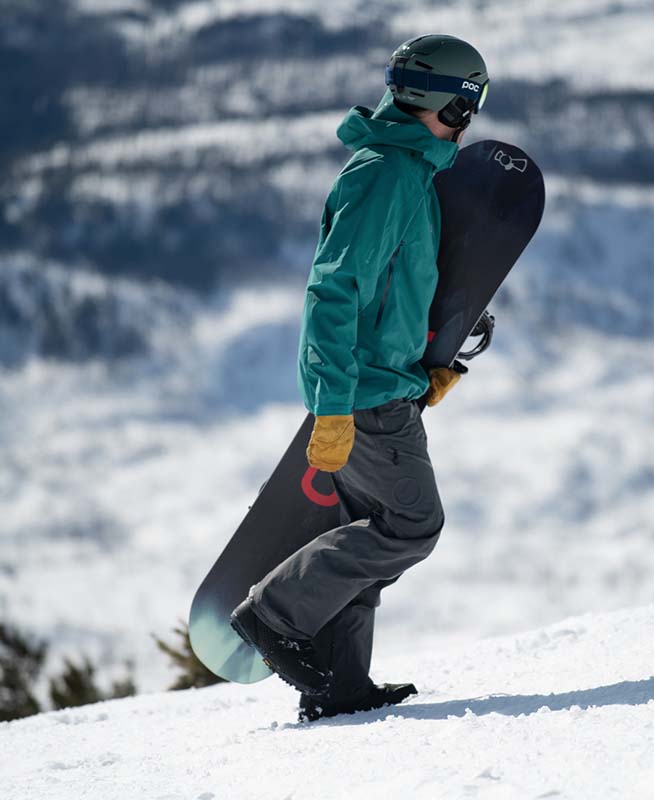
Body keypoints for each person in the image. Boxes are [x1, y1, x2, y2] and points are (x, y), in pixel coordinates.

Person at [229, 34, 490, 722]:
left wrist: (424, 371)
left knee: (368, 527)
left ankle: (341, 683)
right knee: (410, 527)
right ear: (450, 107)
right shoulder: (389, 177)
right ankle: (273, 616)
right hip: (365, 397)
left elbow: (390, 296)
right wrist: (336, 404)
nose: (470, 122)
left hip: (381, 384)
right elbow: (334, 291)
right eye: (469, 106)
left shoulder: (406, 173)